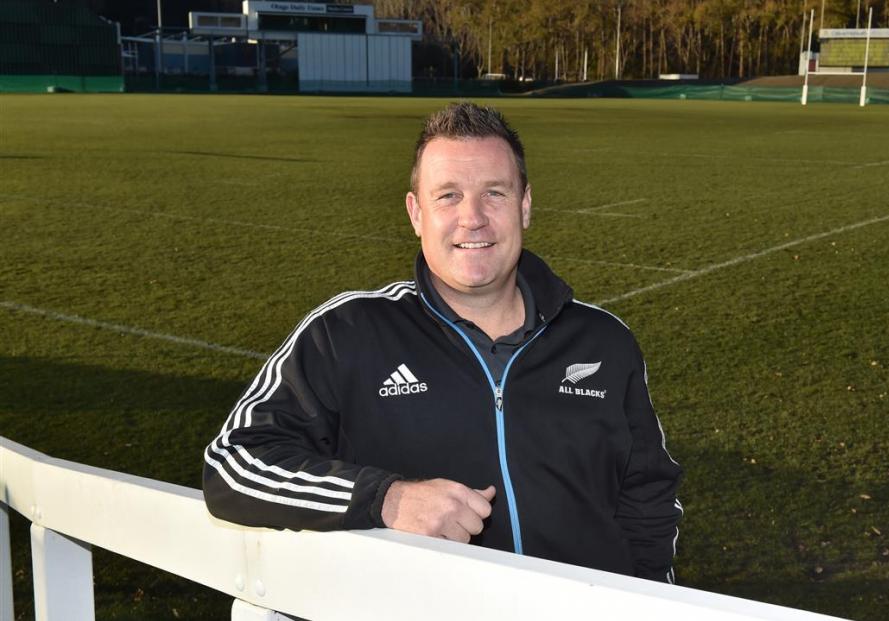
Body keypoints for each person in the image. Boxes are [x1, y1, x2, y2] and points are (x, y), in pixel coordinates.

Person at [202, 102, 683, 582]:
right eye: (448, 196)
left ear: (525, 205)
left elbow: (647, 498)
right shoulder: (348, 333)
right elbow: (233, 464)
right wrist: (387, 498)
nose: (472, 218)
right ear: (415, 213)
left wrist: (654, 604)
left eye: (494, 193)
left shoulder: (603, 342)